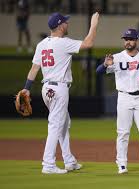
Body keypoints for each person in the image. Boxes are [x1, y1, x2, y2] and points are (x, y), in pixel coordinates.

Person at [20, 12, 100, 174]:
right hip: (59, 88)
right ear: (60, 25)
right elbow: (89, 43)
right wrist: (93, 24)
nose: (67, 24)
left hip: (46, 89)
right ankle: (48, 164)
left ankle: (69, 161)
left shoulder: (42, 44)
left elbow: (35, 68)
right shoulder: (63, 43)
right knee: (56, 125)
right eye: (66, 22)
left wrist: (27, 87)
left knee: (63, 123)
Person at [96, 28, 139, 174]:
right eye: (125, 39)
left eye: (131, 39)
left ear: (136, 40)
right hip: (124, 97)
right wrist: (105, 65)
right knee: (123, 132)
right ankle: (121, 164)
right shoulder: (116, 57)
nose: (127, 42)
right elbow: (98, 72)